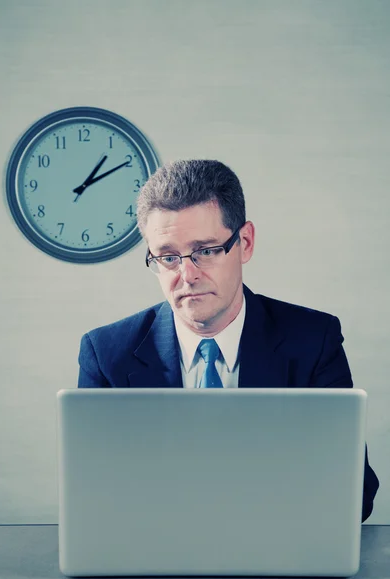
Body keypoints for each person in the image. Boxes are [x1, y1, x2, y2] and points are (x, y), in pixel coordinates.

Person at [78, 159, 379, 521]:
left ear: (246, 242)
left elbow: (354, 495)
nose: (186, 275)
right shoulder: (107, 354)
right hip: (155, 560)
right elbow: (94, 497)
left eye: (205, 251)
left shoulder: (313, 341)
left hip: (279, 558)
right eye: (169, 257)